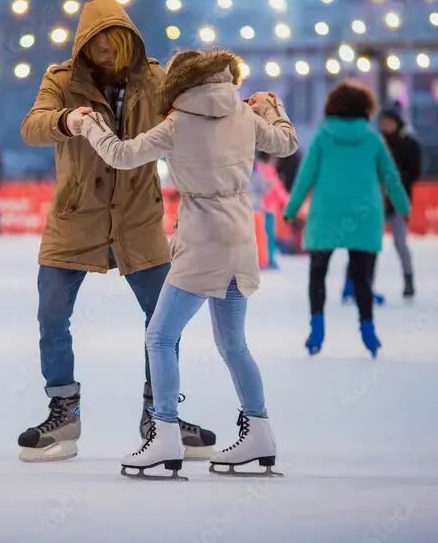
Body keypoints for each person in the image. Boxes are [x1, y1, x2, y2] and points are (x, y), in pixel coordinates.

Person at [71, 49, 299, 478]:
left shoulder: (178, 121)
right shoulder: (245, 116)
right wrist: (272, 105)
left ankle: (165, 435)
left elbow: (121, 155)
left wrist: (89, 125)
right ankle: (260, 431)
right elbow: (286, 142)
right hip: (239, 235)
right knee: (234, 343)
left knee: (160, 336)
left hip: (202, 241)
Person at [17, 0, 215, 462]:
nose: (107, 51)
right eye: (98, 44)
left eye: (115, 42)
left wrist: (235, 102)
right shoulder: (61, 80)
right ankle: (63, 410)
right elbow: (32, 126)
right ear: (83, 45)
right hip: (75, 215)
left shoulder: (155, 78)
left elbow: (200, 111)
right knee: (51, 314)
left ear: (129, 39)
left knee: (164, 318)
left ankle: (159, 414)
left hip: (137, 217)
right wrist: (67, 120)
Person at [283, 82, 410, 359]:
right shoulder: (373, 139)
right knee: (361, 276)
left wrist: (291, 209)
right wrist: (403, 206)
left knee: (318, 271)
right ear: (365, 109)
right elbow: (391, 177)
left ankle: (316, 326)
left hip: (327, 213)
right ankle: (368, 328)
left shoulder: (322, 138)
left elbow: (306, 176)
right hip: (364, 215)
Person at [378, 106, 422, 298]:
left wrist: (396, 183)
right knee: (370, 244)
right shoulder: (376, 143)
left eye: (389, 122)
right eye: (383, 122)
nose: (386, 126)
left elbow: (415, 173)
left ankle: (408, 278)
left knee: (400, 243)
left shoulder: (409, 144)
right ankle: (363, 282)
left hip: (397, 200)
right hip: (377, 200)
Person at [250, 152, 288, 270]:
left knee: (262, 236)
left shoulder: (257, 170)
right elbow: (275, 190)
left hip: (259, 209)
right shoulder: (266, 170)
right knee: (267, 236)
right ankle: (267, 260)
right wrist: (288, 203)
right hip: (265, 209)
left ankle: (263, 260)